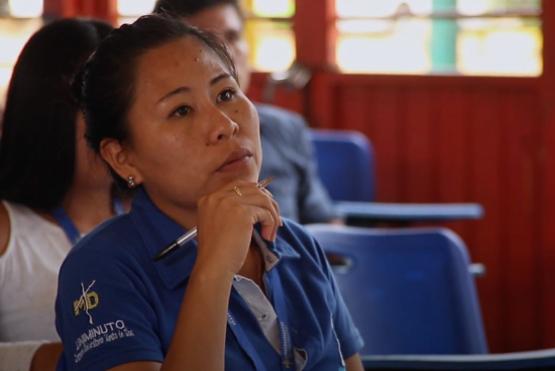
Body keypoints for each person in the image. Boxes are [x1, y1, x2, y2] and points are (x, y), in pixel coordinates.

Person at [55, 14, 363, 370]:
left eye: (227, 93)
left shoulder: (298, 246)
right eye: (181, 110)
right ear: (122, 158)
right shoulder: (100, 267)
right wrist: (213, 271)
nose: (224, 124)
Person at [152, 0, 342, 225]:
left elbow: (326, 225)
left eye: (232, 37)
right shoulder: (161, 141)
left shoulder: (286, 128)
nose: (226, 54)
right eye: (206, 43)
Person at [0, 18, 115, 371]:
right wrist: (49, 360)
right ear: (44, 114)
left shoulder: (167, 213)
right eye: (97, 106)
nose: (119, 123)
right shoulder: (8, 230)